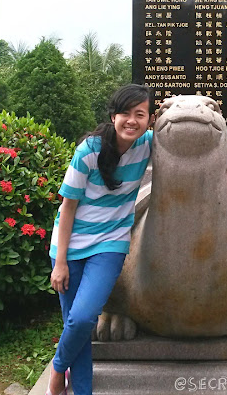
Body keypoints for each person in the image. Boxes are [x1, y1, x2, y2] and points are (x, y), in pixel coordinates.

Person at [47, 84, 155, 395]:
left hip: (110, 245)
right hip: (69, 246)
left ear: (149, 120)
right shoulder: (90, 150)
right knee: (76, 325)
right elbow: (67, 208)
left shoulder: (146, 145)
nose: (132, 121)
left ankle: (57, 369)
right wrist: (61, 262)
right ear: (113, 116)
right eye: (126, 113)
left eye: (140, 114)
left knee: (82, 318)